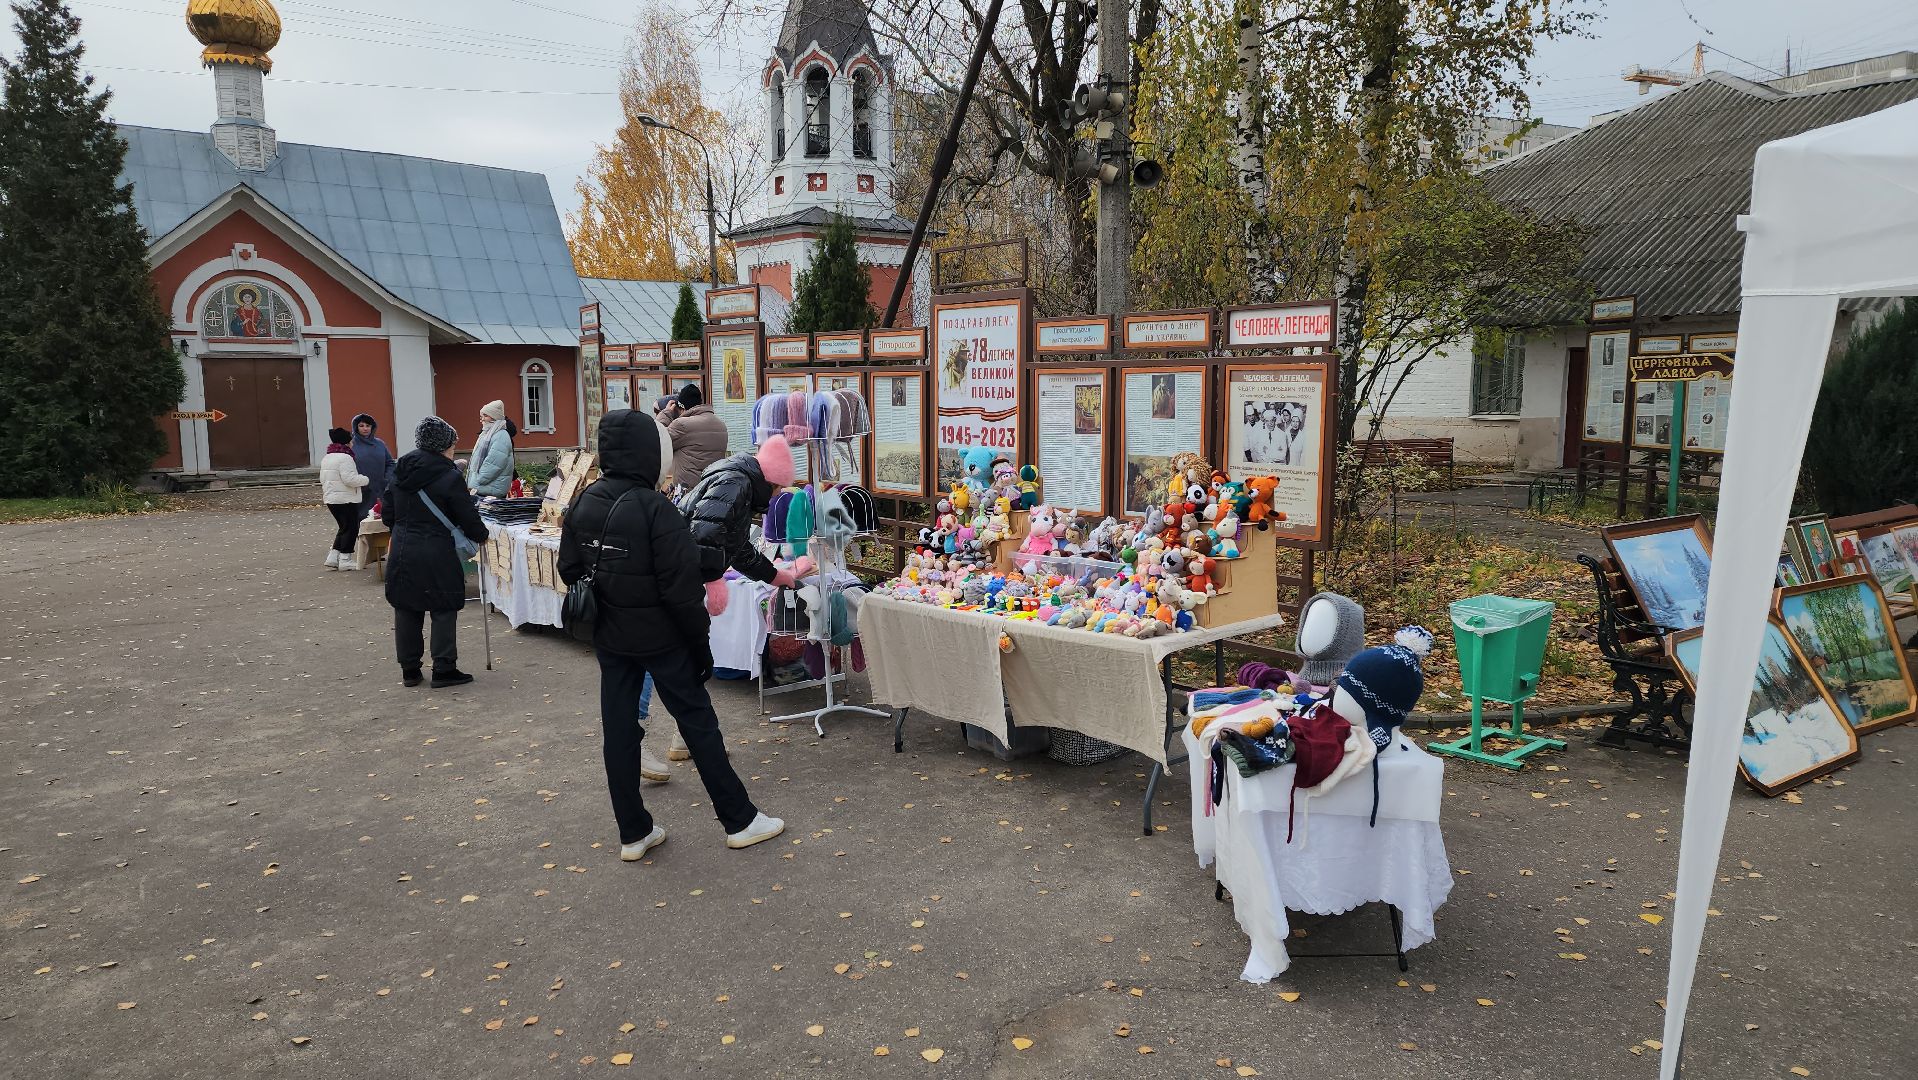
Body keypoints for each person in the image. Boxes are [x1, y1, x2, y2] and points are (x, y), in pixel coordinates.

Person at [559, 409, 784, 858]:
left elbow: (570, 570)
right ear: (648, 453)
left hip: (610, 637)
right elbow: (681, 590)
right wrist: (699, 646)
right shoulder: (655, 509)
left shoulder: (585, 501)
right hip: (662, 638)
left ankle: (633, 832)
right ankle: (739, 819)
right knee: (699, 725)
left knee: (620, 731)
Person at [675, 434, 805, 760]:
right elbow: (704, 535)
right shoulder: (737, 484)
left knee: (688, 663)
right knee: (684, 662)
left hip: (680, 577)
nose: (776, 495)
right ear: (770, 478)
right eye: (777, 488)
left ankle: (688, 737)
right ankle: (684, 738)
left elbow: (738, 548)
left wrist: (777, 576)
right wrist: (714, 579)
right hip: (680, 581)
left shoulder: (737, 481)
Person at [383, 416, 490, 688]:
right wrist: (481, 535)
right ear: (443, 445)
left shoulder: (400, 470)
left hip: (403, 547)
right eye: (453, 444)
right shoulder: (449, 475)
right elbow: (466, 515)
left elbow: (388, 514)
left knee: (407, 607)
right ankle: (443, 668)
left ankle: (410, 670)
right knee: (442, 607)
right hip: (437, 550)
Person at [320, 426, 369, 570]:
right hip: (345, 499)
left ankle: (333, 556)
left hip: (331, 498)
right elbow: (350, 479)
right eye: (351, 441)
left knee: (343, 527)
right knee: (351, 528)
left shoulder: (327, 457)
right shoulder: (345, 458)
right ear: (346, 443)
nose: (353, 443)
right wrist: (365, 479)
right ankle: (345, 558)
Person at [665, 383, 728, 486]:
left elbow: (657, 439)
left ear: (682, 407)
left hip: (690, 493)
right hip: (713, 488)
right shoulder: (720, 424)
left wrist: (666, 413)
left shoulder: (681, 425)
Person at [350, 413, 396, 521]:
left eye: (368, 426)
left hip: (380, 488)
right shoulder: (351, 445)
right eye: (361, 426)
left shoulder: (380, 444)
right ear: (355, 427)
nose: (365, 428)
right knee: (362, 521)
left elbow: (390, 462)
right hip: (361, 491)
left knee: (382, 519)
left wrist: (387, 478)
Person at [468, 400, 516, 498]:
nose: (482, 420)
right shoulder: (486, 433)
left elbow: (494, 463)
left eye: (485, 416)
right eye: (481, 416)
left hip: (491, 490)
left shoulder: (501, 435)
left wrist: (479, 480)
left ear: (494, 417)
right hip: (485, 488)